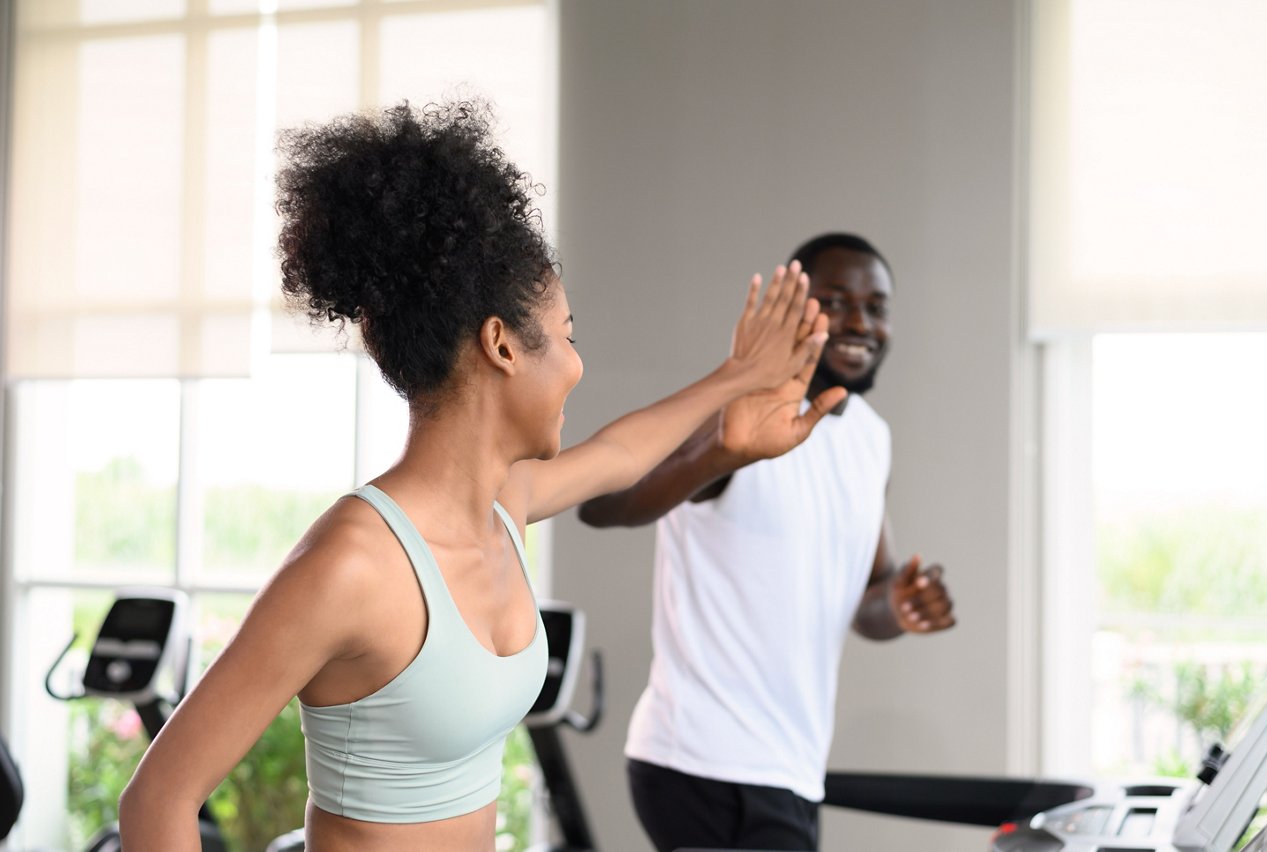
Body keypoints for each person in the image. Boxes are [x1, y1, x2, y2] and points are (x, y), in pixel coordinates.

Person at [116, 101, 839, 852]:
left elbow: (622, 454)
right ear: (502, 345)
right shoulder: (353, 565)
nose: (577, 363)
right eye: (566, 337)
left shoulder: (503, 508)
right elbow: (158, 799)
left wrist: (735, 384)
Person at [577, 232, 958, 852]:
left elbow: (867, 599)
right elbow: (603, 504)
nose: (861, 321)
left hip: (789, 769)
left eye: (878, 306)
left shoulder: (869, 438)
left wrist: (902, 604)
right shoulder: (738, 415)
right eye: (836, 301)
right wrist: (721, 451)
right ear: (796, 311)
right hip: (701, 763)